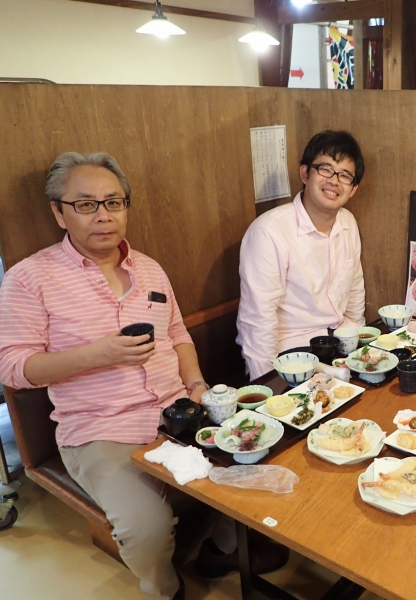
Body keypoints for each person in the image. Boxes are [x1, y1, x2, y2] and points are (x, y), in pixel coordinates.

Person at [0, 153, 285, 600]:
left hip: (179, 412)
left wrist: (197, 386)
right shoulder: (29, 278)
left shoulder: (149, 268)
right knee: (145, 527)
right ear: (58, 211)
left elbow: (178, 334)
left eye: (114, 202)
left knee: (259, 458)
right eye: (86, 204)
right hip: (100, 429)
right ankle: (164, 589)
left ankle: (222, 549)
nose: (103, 216)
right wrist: (97, 354)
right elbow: (13, 367)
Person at [237, 130, 366, 379]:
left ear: (353, 189)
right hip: (291, 354)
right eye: (326, 169)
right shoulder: (269, 232)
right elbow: (257, 321)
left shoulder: (348, 222)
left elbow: (354, 289)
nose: (334, 181)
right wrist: (268, 385)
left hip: (340, 345)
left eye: (344, 175)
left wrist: (357, 341)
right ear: (305, 173)